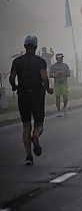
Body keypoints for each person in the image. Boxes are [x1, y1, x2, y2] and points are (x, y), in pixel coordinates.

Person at [9, 36, 53, 165]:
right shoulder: (40, 61)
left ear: (24, 46)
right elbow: (44, 77)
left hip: (23, 95)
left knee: (26, 124)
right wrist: (48, 88)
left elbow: (12, 78)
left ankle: (28, 156)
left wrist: (14, 86)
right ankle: (36, 136)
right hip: (37, 94)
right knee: (39, 123)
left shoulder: (17, 61)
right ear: (35, 47)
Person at [49, 53, 71, 117]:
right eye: (60, 57)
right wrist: (55, 75)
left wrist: (63, 73)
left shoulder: (65, 65)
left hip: (64, 83)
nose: (62, 59)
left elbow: (68, 74)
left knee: (65, 98)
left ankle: (64, 108)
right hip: (57, 83)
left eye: (62, 57)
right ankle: (58, 111)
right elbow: (50, 75)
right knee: (57, 98)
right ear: (57, 58)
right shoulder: (53, 66)